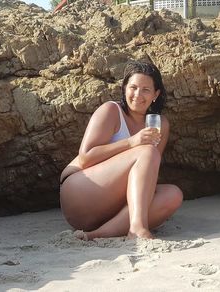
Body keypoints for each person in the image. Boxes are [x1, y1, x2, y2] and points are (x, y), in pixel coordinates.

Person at [59, 61, 183, 240]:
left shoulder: (160, 124)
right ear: (124, 88)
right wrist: (132, 142)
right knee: (147, 151)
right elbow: (85, 158)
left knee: (173, 195)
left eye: (146, 90)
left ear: (156, 94)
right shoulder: (111, 110)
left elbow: (150, 173)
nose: (138, 95)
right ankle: (137, 228)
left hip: (111, 206)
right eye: (133, 87)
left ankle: (101, 233)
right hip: (79, 192)